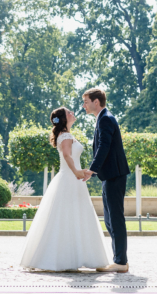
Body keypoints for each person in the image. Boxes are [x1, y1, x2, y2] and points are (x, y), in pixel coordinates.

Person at [20, 107, 109, 272]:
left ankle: (70, 256)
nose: (73, 114)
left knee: (72, 216)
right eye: (69, 113)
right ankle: (67, 258)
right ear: (63, 118)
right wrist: (76, 172)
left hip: (71, 179)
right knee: (69, 216)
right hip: (70, 178)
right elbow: (67, 155)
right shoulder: (66, 136)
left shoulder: (66, 134)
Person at [82, 87, 130, 273]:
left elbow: (104, 146)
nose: (84, 106)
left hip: (114, 174)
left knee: (115, 218)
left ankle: (120, 262)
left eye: (86, 102)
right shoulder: (103, 118)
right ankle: (119, 260)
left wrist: (92, 170)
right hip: (109, 175)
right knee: (110, 219)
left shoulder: (106, 119)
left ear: (96, 101)